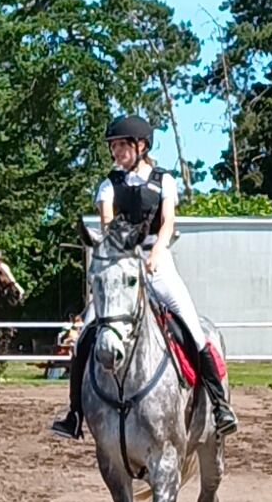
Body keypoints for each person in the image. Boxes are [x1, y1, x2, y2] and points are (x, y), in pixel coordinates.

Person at [50, 114, 238, 440]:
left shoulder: (164, 180)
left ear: (141, 146)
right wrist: (124, 255)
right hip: (122, 267)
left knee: (193, 330)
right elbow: (108, 223)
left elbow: (167, 223)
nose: (116, 151)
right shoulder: (108, 185)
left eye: (122, 145)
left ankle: (219, 407)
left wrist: (155, 254)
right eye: (113, 146)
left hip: (158, 263)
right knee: (83, 339)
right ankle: (74, 414)